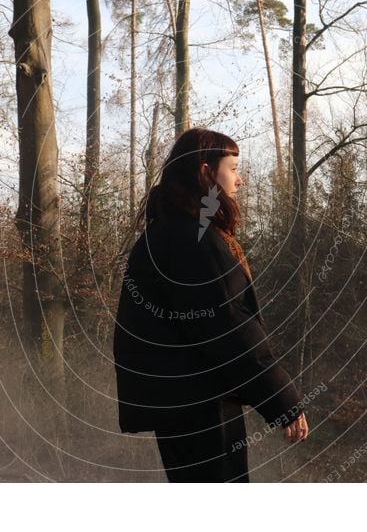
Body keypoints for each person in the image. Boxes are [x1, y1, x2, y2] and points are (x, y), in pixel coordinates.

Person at [112, 127, 309, 483]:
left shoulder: (166, 234)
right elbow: (230, 328)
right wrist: (284, 402)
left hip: (183, 405)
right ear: (205, 172)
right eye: (232, 168)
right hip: (202, 407)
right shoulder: (194, 241)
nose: (240, 180)